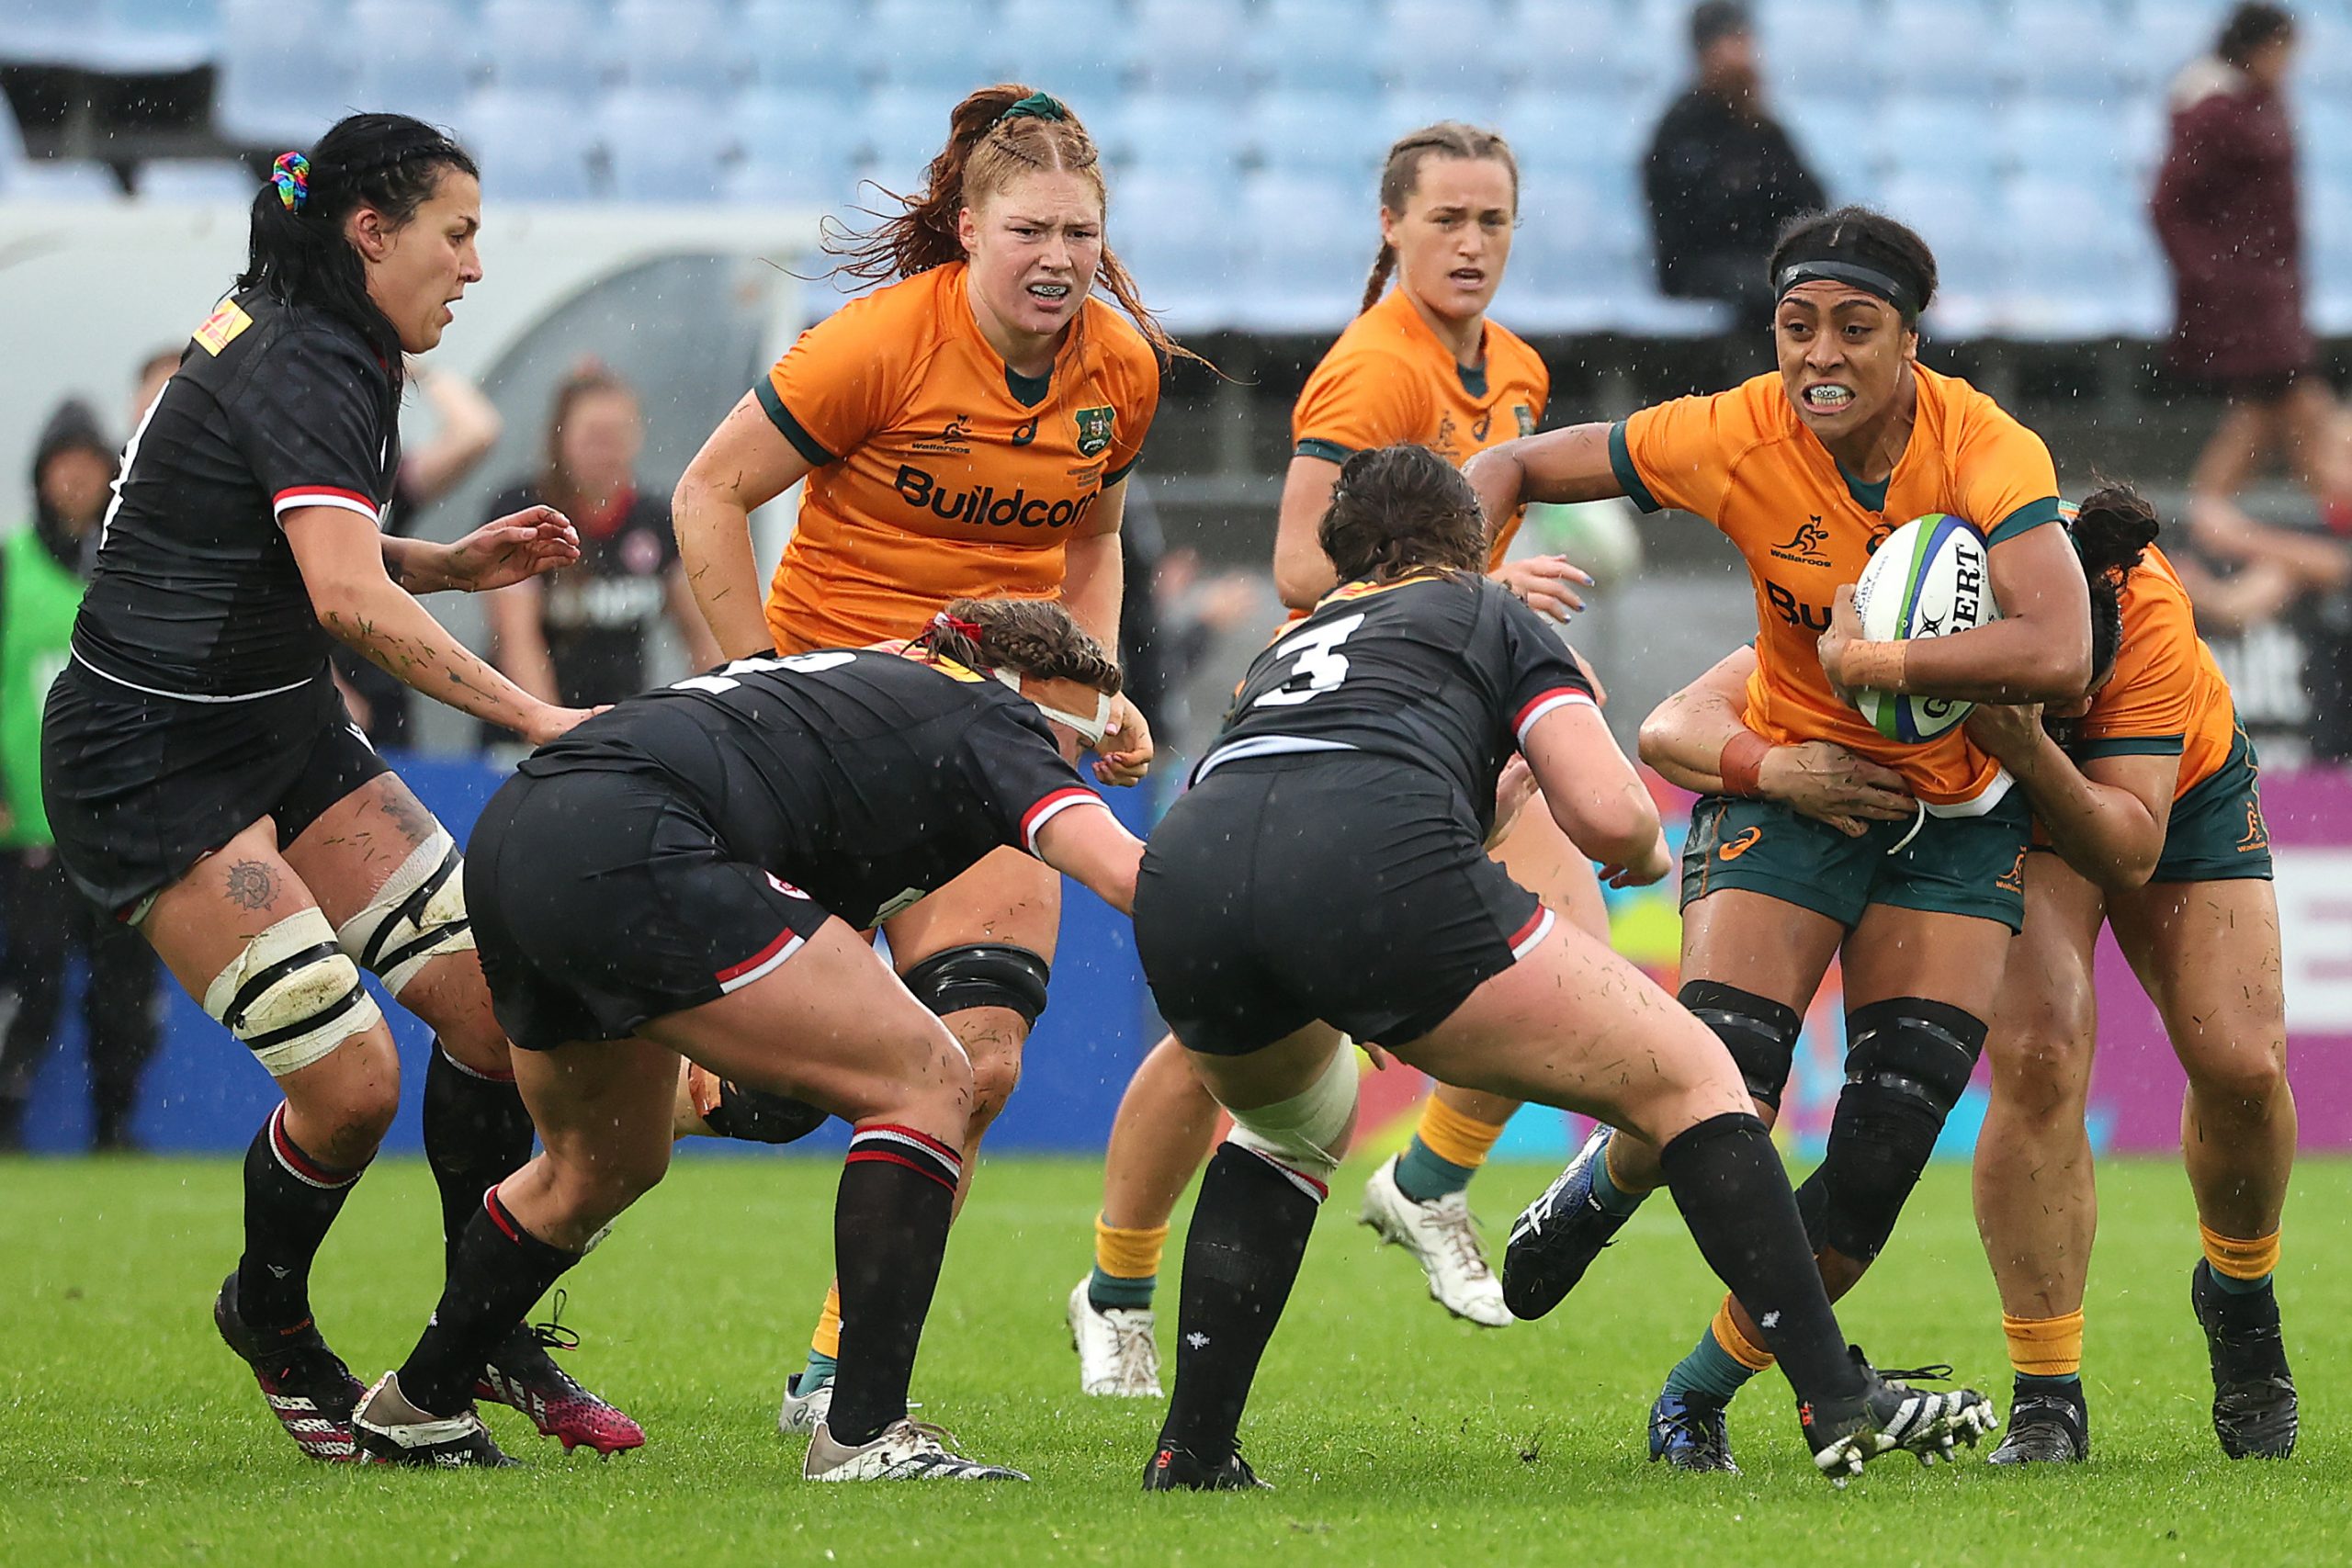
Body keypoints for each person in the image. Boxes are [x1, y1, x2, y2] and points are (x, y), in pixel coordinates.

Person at [1131, 443, 1993, 1491]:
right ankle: (1835, 1396)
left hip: (1186, 878)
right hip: (1369, 865)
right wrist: (1637, 854)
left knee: (1280, 1132)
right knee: (1697, 1079)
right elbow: (1609, 811)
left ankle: (1193, 1448)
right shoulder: (1488, 611)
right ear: (1471, 540)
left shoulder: (1297, 638)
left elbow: (1314, 780)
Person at [40, 114, 639, 1463]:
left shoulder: (316, 328)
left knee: (496, 1011)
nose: (475, 267)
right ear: (371, 232)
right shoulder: (308, 355)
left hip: (276, 725)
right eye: (459, 233)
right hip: (148, 756)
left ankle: (474, 1334)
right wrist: (537, 711)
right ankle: (274, 1317)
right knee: (353, 1080)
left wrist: (446, 564)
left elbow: (289, 546)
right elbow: (337, 595)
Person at [1468, 205, 2091, 1473]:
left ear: (1910, 340)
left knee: (1877, 1157)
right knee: (1724, 1093)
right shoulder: (1734, 429)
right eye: (1797, 324)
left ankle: (1692, 1395)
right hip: (1785, 789)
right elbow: (1515, 469)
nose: (1821, 354)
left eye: (1855, 328)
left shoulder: (1985, 445)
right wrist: (1454, 613)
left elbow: (2060, 647)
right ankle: (1602, 1185)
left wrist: (1882, 656)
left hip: (1954, 818)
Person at [352, 599, 1148, 1476]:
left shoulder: (887, 679)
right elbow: (1124, 871)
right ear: (1028, 695)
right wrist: (1269, 912)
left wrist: (1108, 714)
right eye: (1074, 745)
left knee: (599, 1166)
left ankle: (418, 1404)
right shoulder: (995, 714)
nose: (1067, 767)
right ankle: (863, 1434)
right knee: (929, 1080)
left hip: (521, 828)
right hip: (639, 840)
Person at [1070, 122, 1608, 1401]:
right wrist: (1480, 579)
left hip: (1453, 728)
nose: (1471, 243)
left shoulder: (1515, 369)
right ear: (1392, 228)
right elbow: (1304, 568)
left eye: (1492, 221)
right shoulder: (1374, 373)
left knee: (1571, 949)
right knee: (1232, 1043)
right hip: (1343, 737)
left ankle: (1425, 1181)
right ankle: (1116, 1284)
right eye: (1446, 221)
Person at [671, 83, 1174, 1436]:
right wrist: (756, 690)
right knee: (776, 1095)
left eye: (1081, 228)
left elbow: (1094, 540)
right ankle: (647, 1112)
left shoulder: (1119, 370)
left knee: (981, 1057)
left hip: (992, 747)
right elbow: (705, 494)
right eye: (1029, 230)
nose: (1058, 257)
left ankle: (838, 1367)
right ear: (967, 228)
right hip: (832, 739)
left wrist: (1091, 685)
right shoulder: (881, 343)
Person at [1634, 487, 2297, 1464]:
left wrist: (2030, 738)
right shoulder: (1913, 593)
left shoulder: (2145, 607)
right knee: (2037, 1050)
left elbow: (2126, 845)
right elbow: (1686, 716)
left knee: (2240, 1066)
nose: (2068, 692)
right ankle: (2047, 1395)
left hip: (2168, 796)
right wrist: (1783, 758)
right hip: (2007, 807)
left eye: (2077, 677)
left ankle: (2239, 1297)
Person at [2154, 5, 2351, 624]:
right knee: (2291, 398)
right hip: (2245, 289)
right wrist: (2208, 273)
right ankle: (2302, 517)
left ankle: (2210, 522)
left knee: (2269, 404)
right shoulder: (2214, 110)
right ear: (2258, 46)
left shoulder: (2256, 103)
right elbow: (2171, 203)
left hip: (2270, 285)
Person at [0, 400, 161, 1152]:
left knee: (124, 987)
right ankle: (7, 1120)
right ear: (40, 476)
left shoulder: (133, 568)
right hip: (30, 821)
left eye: (91, 464)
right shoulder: (9, 569)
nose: (76, 478)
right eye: (62, 463)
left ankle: (116, 1127)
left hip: (119, 819)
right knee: (28, 979)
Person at [483, 362, 718, 720]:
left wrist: (715, 719)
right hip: (526, 729)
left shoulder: (656, 519)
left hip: (621, 728)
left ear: (638, 437)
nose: (607, 450)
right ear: (560, 439)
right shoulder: (524, 511)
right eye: (594, 436)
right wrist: (552, 731)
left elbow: (702, 636)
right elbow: (517, 641)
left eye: (618, 435)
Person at [333, 363, 505, 747]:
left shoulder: (384, 482)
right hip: (312, 688)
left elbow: (478, 431)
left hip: (380, 681)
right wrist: (328, 685)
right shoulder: (291, 484)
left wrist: (416, 369)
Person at [1644, 2, 1826, 348]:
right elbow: (1692, 223)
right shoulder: (1680, 127)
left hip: (1759, 262)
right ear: (1705, 52)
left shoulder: (1763, 125)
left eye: (1746, 41)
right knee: (1773, 295)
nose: (1744, 55)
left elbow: (1812, 199)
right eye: (1733, 42)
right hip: (1698, 268)